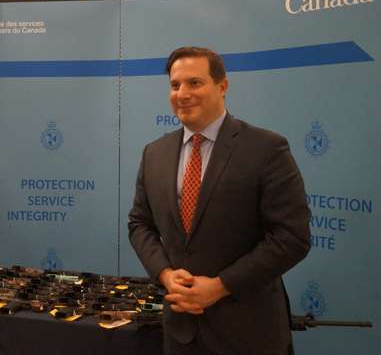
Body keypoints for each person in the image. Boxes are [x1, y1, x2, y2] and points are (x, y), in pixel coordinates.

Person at [128, 47, 310, 355]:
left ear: (222, 86)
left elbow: (292, 237)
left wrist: (220, 286)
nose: (182, 93)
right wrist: (165, 274)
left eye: (194, 83)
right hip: (180, 332)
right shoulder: (154, 153)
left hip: (248, 333)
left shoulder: (266, 149)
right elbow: (139, 224)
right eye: (175, 85)